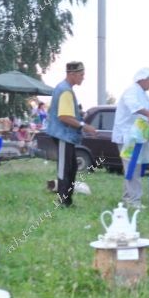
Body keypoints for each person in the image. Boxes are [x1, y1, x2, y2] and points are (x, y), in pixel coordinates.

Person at [112, 67, 149, 208]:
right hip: (127, 136)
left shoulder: (142, 94)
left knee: (133, 168)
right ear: (142, 79)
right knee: (133, 169)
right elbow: (135, 107)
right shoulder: (131, 91)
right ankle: (134, 201)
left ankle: (128, 197)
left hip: (136, 136)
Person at [45, 61, 96, 207]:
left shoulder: (64, 88)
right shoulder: (66, 91)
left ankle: (67, 200)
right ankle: (63, 202)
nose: (83, 77)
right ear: (72, 74)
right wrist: (84, 125)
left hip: (65, 136)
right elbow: (64, 117)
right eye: (81, 74)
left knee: (71, 166)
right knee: (65, 168)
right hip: (63, 135)